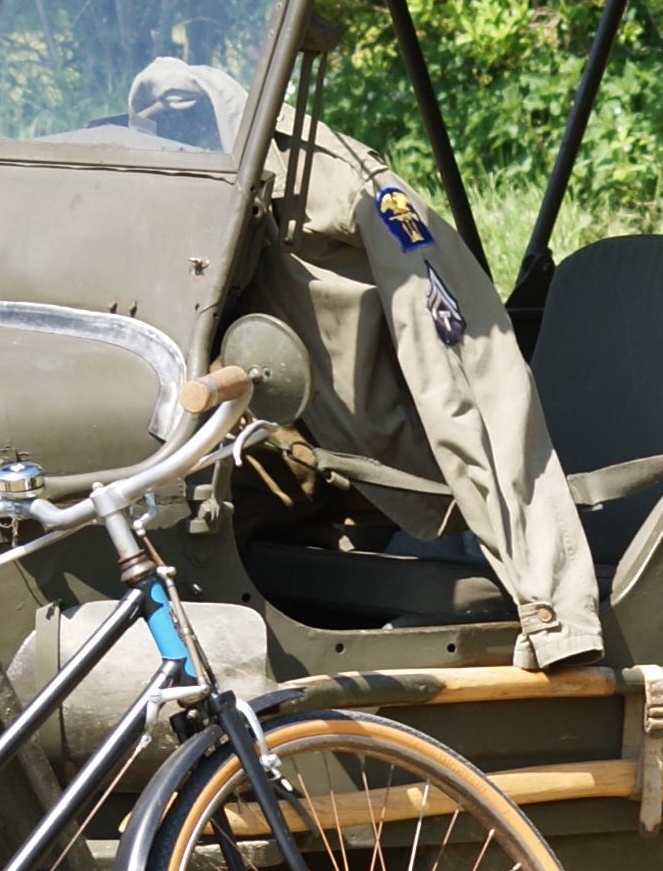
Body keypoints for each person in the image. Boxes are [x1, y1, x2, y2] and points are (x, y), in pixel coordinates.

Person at [232, 84, 602, 674]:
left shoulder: (326, 177)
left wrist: (548, 600)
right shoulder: (171, 172)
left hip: (419, 491)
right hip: (298, 460)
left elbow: (467, 371)